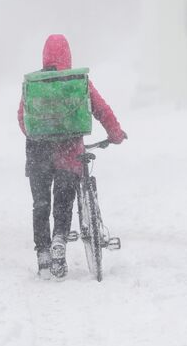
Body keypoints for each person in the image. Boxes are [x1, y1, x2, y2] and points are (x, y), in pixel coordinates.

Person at [17, 34, 126, 279]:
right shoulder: (77, 81)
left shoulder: (34, 84)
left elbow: (22, 118)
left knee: (41, 204)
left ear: (44, 55)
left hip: (38, 152)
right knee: (64, 201)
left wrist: (39, 134)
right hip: (69, 153)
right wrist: (115, 133)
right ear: (68, 55)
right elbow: (101, 108)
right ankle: (59, 240)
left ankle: (43, 254)